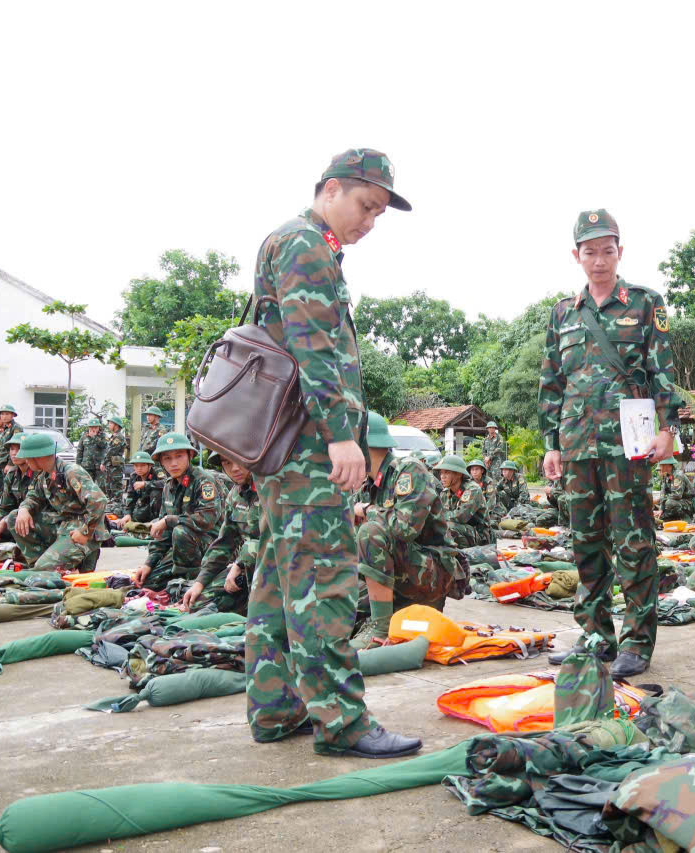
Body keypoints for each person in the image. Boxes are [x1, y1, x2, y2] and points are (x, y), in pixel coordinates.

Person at [246, 148, 420, 758]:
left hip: (282, 447)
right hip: (306, 445)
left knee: (278, 578)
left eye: (378, 213)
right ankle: (342, 722)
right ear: (330, 190)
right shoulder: (305, 245)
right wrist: (340, 433)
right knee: (323, 577)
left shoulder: (289, 241)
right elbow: (311, 345)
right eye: (365, 205)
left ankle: (275, 708)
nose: (369, 222)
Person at [539, 208, 680, 679]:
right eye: (590, 251)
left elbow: (663, 370)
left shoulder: (643, 302)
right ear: (575, 255)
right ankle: (597, 635)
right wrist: (550, 442)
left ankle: (638, 641)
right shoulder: (563, 313)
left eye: (607, 250)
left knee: (634, 541)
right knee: (586, 544)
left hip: (629, 444)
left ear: (620, 252)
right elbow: (552, 382)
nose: (599, 260)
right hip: (578, 445)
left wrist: (670, 427)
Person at [351, 412, 464, 648]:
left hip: (432, 573)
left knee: (370, 532)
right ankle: (382, 616)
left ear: (363, 446)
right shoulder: (369, 486)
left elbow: (405, 528)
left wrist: (367, 510)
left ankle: (380, 630)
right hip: (401, 574)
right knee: (342, 611)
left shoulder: (409, 471)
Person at [130, 433, 224, 590]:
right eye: (167, 458)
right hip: (184, 549)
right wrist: (149, 563)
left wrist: (169, 520)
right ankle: (179, 577)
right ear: (160, 461)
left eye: (179, 456)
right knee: (148, 583)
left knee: (180, 531)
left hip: (213, 546)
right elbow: (162, 535)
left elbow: (207, 519)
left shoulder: (203, 481)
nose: (173, 463)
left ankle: (190, 581)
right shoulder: (168, 486)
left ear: (190, 455)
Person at [178, 454, 260, 614]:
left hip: (276, 570)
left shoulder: (272, 490)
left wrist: (240, 563)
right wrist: (200, 582)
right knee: (198, 604)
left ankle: (258, 611)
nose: (234, 468)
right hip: (246, 570)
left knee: (250, 548)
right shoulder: (235, 495)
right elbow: (225, 542)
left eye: (240, 460)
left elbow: (277, 542)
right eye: (227, 462)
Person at [13, 432, 107, 571]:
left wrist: (85, 532)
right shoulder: (44, 474)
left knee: (44, 570)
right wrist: (23, 509)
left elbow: (98, 501)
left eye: (27, 458)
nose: (26, 461)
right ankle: (39, 563)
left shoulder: (71, 472)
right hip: (62, 524)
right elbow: (34, 496)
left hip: (82, 527)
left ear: (38, 457)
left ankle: (48, 567)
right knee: (14, 517)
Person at [437, 454, 491, 547]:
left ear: (458, 474)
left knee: (449, 526)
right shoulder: (445, 493)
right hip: (463, 531)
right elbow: (440, 512)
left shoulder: (473, 489)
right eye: (441, 473)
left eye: (446, 472)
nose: (442, 476)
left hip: (480, 535)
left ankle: (462, 555)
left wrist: (438, 518)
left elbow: (461, 517)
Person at [115, 451, 165, 529]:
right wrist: (127, 514)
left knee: (156, 491)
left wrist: (146, 484)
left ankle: (158, 520)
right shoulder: (134, 476)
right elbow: (130, 497)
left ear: (150, 465)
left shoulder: (157, 472)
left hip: (159, 506)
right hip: (144, 504)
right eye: (136, 466)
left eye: (142, 465)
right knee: (135, 517)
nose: (139, 468)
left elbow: (166, 482)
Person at [99, 415, 128, 500]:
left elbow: (111, 451)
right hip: (111, 465)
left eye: (111, 423)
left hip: (115, 465)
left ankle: (117, 506)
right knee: (109, 486)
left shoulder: (118, 437)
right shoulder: (114, 436)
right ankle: (112, 504)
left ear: (116, 425)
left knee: (116, 487)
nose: (109, 425)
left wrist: (103, 463)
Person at [76, 418, 106, 485]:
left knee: (101, 487)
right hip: (87, 466)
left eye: (96, 427)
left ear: (99, 427)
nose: (93, 429)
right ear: (89, 427)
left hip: (99, 466)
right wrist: (78, 465)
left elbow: (104, 446)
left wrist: (95, 437)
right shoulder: (84, 436)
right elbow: (79, 451)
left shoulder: (102, 436)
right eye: (92, 427)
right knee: (87, 486)